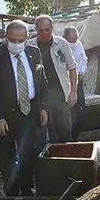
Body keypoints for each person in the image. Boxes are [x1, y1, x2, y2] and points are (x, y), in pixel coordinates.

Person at [0, 20, 48, 196]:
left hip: (29, 111)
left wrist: (43, 107)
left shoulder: (34, 52)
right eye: (12, 40)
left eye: (20, 40)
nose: (16, 44)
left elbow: (42, 81)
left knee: (28, 152)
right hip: (6, 114)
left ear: (27, 38)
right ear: (6, 38)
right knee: (7, 154)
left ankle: (27, 189)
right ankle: (11, 192)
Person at [29, 15, 77, 143]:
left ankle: (67, 154)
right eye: (41, 30)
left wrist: (73, 92)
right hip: (39, 96)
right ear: (36, 30)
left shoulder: (62, 44)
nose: (44, 33)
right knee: (41, 132)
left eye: (47, 30)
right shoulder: (30, 46)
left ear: (52, 28)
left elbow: (72, 67)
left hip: (59, 93)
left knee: (64, 131)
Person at [63, 26, 87, 140]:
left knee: (81, 113)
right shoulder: (60, 46)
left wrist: (82, 72)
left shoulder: (78, 45)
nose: (74, 41)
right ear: (65, 37)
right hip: (65, 84)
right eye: (71, 39)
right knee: (65, 115)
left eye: (75, 38)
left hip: (77, 83)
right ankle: (66, 140)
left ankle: (73, 138)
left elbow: (83, 60)